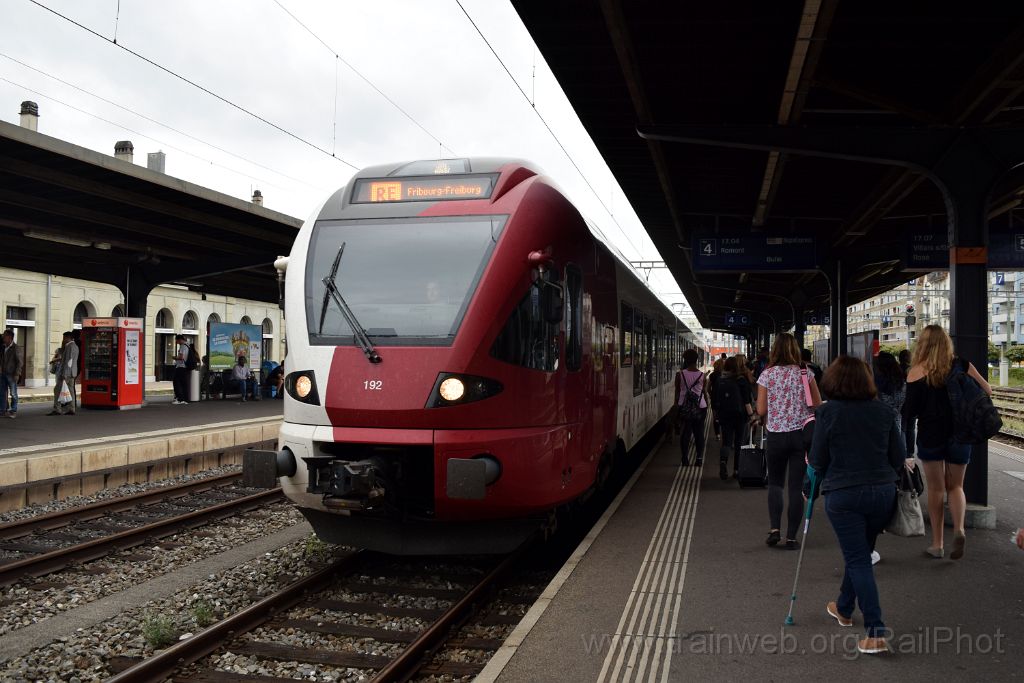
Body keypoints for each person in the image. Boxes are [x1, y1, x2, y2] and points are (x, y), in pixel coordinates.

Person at [808, 355, 905, 655]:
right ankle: (844, 608)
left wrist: (808, 488)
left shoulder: (827, 413)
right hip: (882, 494)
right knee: (860, 552)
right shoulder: (884, 412)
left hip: (844, 495)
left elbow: (818, 460)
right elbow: (898, 457)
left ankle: (876, 632)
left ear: (833, 381)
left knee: (858, 559)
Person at [903, 325, 991, 560]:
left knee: (936, 489)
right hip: (960, 435)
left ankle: (937, 544)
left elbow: (909, 412)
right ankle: (960, 529)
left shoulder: (916, 372)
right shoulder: (961, 365)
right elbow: (987, 390)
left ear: (922, 344)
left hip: (931, 436)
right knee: (956, 486)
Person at [757, 332, 821, 549]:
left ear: (775, 350)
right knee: (795, 487)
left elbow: (761, 409)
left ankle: (775, 529)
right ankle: (792, 538)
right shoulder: (806, 374)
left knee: (775, 484)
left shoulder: (767, 375)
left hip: (775, 435)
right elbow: (817, 404)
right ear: (795, 349)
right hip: (800, 436)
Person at [716, 356, 757, 480]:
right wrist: (752, 416)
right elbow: (746, 402)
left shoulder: (720, 380)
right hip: (740, 416)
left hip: (724, 415)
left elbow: (715, 399)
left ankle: (723, 462)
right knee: (739, 443)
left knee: (726, 442)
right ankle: (737, 470)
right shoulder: (741, 380)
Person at [677, 348, 709, 467]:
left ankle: (685, 458)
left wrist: (677, 408)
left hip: (684, 406)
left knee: (685, 432)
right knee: (699, 433)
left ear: (685, 360)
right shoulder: (702, 375)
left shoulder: (680, 375)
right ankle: (699, 459)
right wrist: (707, 404)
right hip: (700, 406)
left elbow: (677, 392)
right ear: (696, 360)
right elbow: (704, 392)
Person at [48, 331, 79, 415]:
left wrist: (64, 374)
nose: (63, 339)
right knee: (71, 391)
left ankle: (57, 409)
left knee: (57, 390)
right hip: (72, 372)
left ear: (68, 338)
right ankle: (72, 408)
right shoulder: (75, 346)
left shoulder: (69, 347)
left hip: (66, 373)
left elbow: (68, 361)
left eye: (64, 338)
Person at [897, 348, 915, 459]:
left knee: (902, 428)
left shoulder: (896, 369)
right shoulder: (913, 370)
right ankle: (910, 452)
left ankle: (903, 452)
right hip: (911, 402)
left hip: (901, 403)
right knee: (911, 428)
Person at [1, 330, 23, 418]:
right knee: (2, 393)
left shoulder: (16, 348)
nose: (3, 338)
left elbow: (20, 362)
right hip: (3, 373)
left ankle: (13, 410)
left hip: (12, 374)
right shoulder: (3, 347)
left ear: (10, 337)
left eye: (4, 336)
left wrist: (17, 374)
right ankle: (2, 410)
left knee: (13, 393)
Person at [708, 358, 724, 441]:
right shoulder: (725, 375)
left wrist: (711, 395)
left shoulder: (712, 375)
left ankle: (717, 434)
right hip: (724, 399)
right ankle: (724, 433)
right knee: (724, 416)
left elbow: (708, 388)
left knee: (715, 417)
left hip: (715, 399)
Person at [172, 334, 189, 405]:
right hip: (185, 367)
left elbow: (181, 357)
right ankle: (184, 399)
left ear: (180, 340)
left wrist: (174, 358)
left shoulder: (182, 346)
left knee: (176, 382)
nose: (176, 341)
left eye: (176, 340)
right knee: (183, 384)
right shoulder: (187, 346)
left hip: (180, 367)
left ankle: (179, 399)